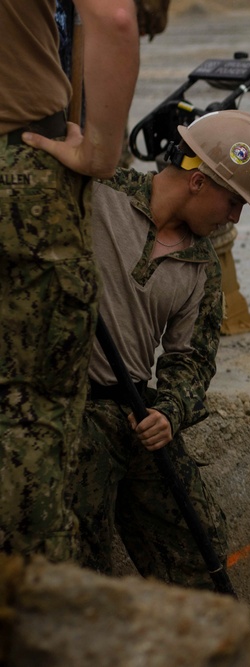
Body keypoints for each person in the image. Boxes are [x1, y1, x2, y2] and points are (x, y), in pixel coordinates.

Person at [70, 110, 250, 589]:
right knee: (78, 555)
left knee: (197, 543)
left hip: (137, 413)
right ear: (199, 181)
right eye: (233, 202)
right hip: (71, 409)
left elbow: (193, 358)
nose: (233, 217)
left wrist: (170, 411)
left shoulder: (202, 265)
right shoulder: (101, 194)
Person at [1, 0, 138, 562]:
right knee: (33, 412)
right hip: (20, 157)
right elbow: (112, 17)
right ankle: (37, 622)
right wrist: (101, 151)